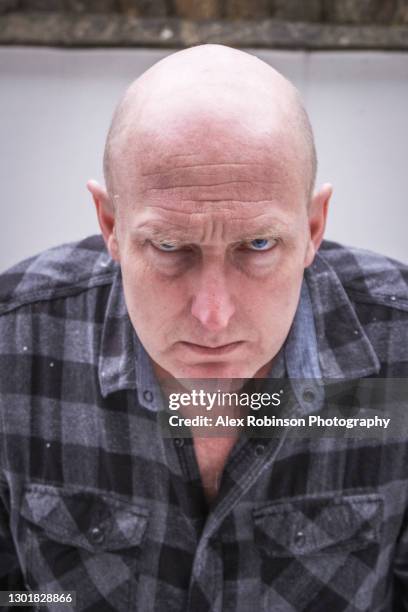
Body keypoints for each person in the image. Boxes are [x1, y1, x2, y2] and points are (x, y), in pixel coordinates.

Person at [0, 44, 407, 612]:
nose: (213, 315)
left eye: (258, 245)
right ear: (110, 225)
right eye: (169, 246)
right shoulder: (15, 345)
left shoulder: (400, 350)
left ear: (313, 226)